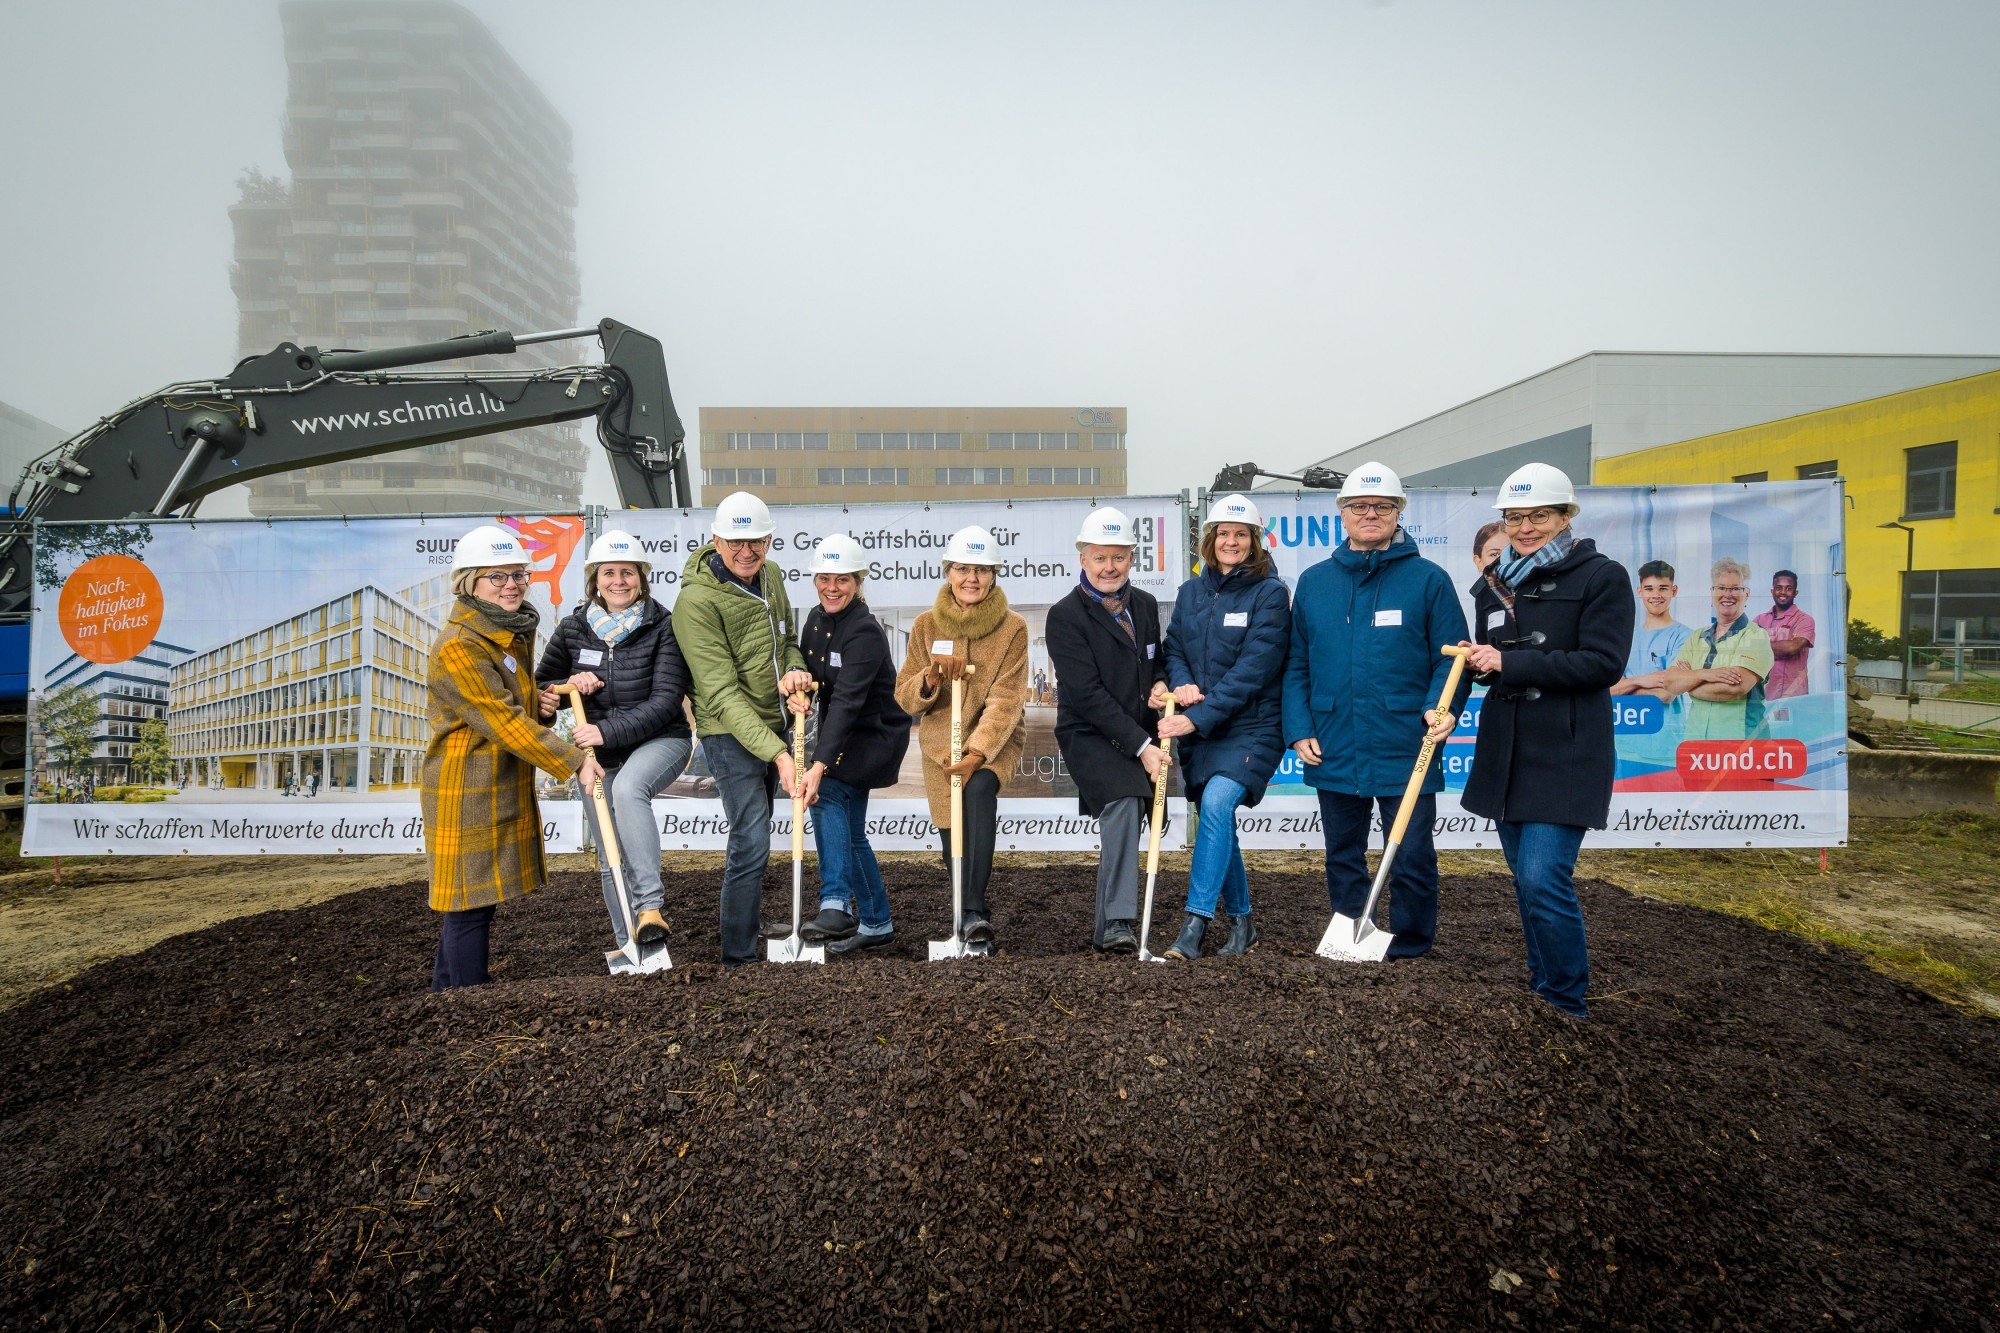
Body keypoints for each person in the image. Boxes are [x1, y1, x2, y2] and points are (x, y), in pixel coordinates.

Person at [1460, 463, 1632, 1019]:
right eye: (1514, 517)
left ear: (1565, 517)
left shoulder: (1601, 576)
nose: (1526, 526)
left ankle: (1565, 999)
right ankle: (1542, 987)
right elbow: (1494, 660)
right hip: (1507, 750)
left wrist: (1510, 661)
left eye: (1538, 515)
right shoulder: (1493, 583)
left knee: (1541, 876)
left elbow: (1602, 663)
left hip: (1567, 750)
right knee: (1524, 879)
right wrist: (1481, 667)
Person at [1282, 462, 1468, 960]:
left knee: (1410, 855)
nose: (1370, 514)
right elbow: (1296, 663)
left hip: (1407, 740)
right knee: (1342, 853)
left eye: (1382, 506)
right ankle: (1350, 936)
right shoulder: (1316, 582)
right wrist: (1299, 728)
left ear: (1398, 513)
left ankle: (1410, 946)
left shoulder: (1429, 580)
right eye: (1359, 506)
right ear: (1341, 514)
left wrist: (1440, 708)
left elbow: (1453, 660)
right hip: (1333, 739)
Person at [423, 524, 601, 991]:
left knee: (472, 900)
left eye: (518, 575)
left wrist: (537, 704)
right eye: (496, 577)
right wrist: (574, 759)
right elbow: (499, 721)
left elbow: (510, 710)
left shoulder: (507, 632)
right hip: (466, 786)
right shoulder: (460, 645)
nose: (512, 585)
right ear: (469, 584)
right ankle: (465, 999)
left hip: (495, 778)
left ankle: (447, 992)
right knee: (469, 903)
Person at [673, 492, 813, 967]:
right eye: (735, 542)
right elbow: (719, 694)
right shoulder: (695, 601)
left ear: (770, 540)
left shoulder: (770, 576)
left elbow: (787, 641)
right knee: (750, 837)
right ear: (716, 541)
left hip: (773, 725)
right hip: (728, 732)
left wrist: (794, 674)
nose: (746, 551)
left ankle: (750, 925)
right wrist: (779, 753)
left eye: (755, 540)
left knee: (759, 833)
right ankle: (737, 956)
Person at [536, 529, 692, 953]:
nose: (619, 581)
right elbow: (540, 690)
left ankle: (651, 909)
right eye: (609, 573)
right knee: (609, 852)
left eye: (628, 572)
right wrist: (565, 685)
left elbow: (665, 701)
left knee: (626, 789)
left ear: (642, 578)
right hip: (597, 755)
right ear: (595, 579)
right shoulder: (573, 628)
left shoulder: (663, 626)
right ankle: (632, 944)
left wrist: (605, 730)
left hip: (661, 740)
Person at [1155, 493, 1291, 959]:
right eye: (1223, 534)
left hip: (1252, 727)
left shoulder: (1270, 593)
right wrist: (1184, 682)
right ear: (1209, 541)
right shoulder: (1191, 592)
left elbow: (1256, 669)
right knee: (1217, 817)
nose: (1231, 542)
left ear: (1255, 542)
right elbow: (1173, 647)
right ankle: (1243, 923)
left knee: (1215, 802)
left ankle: (1194, 924)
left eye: (1241, 534)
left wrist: (1196, 718)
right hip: (1204, 730)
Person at [893, 525, 1029, 951]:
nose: (972, 578)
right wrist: (930, 677)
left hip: (994, 740)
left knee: (979, 790)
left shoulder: (1013, 628)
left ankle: (973, 912)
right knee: (951, 827)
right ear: (947, 572)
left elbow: (1006, 699)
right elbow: (905, 697)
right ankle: (966, 916)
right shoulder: (925, 625)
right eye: (963, 568)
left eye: (982, 570)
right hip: (941, 745)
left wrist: (978, 752)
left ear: (994, 575)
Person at [1047, 506, 1168, 955]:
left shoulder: (1146, 605)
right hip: (1089, 733)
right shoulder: (1065, 617)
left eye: (1118, 557)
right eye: (1100, 558)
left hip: (1138, 731)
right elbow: (1087, 693)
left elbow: (1157, 659)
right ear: (1083, 560)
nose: (1109, 567)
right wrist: (1141, 747)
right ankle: (1120, 919)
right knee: (1124, 800)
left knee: (1134, 810)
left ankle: (1107, 931)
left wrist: (1160, 681)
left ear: (1131, 560)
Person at [791, 533, 912, 953]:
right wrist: (797, 687)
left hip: (874, 734)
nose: (831, 587)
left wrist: (818, 765)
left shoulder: (864, 632)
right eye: (824, 578)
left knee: (824, 795)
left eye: (841, 579)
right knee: (853, 833)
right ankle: (877, 924)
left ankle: (837, 902)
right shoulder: (815, 619)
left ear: (858, 582)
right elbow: (809, 672)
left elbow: (845, 702)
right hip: (842, 732)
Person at [1654, 557, 1774, 740]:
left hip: (1742, 745)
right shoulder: (1697, 637)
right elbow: (1670, 682)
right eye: (1721, 588)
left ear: (1746, 594)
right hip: (1698, 746)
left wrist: (1689, 685)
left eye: (1735, 588)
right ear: (1712, 592)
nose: (1728, 594)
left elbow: (1734, 688)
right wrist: (1705, 674)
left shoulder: (1755, 636)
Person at [1611, 560, 1693, 695]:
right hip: (1628, 716)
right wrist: (1642, 681)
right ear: (1640, 591)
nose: (1656, 595)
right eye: (1649, 589)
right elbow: (1608, 690)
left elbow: (1666, 695)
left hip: (1666, 716)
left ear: (1674, 591)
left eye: (1663, 588)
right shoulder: (1627, 636)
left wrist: (1625, 686)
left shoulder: (1685, 637)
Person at [1755, 570, 1815, 699]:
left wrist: (1758, 647)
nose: (1783, 592)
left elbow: (1792, 648)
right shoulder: (1759, 620)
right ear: (1772, 591)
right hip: (1762, 695)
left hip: (1793, 695)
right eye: (1779, 588)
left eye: (1789, 588)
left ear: (1795, 593)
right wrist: (1782, 645)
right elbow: (1746, 650)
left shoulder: (1804, 619)